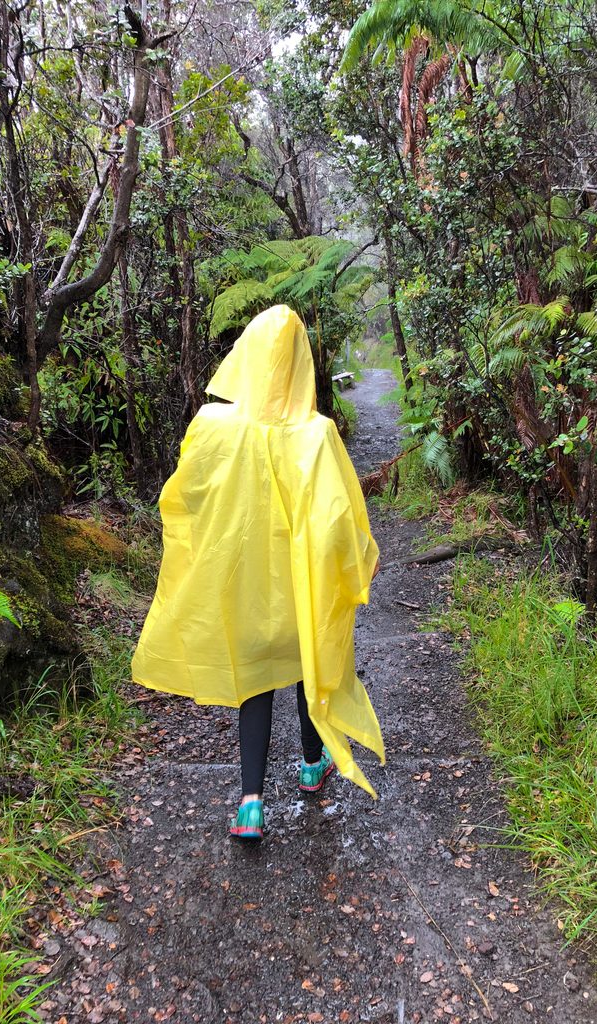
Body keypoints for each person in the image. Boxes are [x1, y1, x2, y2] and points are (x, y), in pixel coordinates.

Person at [132, 305, 384, 840]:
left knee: (254, 684)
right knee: (306, 667)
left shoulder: (212, 426)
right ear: (301, 364)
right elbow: (342, 517)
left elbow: (185, 499)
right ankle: (312, 768)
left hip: (243, 592)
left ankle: (251, 803)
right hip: (301, 593)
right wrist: (354, 569)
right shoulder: (317, 435)